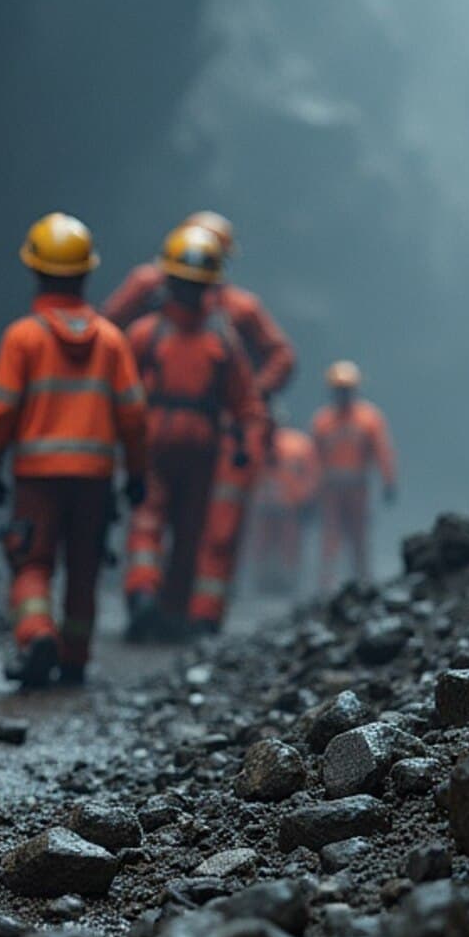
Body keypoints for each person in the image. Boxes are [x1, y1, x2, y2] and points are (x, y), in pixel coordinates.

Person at [0, 214, 148, 687]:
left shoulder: (23, 337)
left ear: (35, 270)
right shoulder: (113, 341)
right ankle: (74, 657)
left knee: (31, 561)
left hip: (36, 476)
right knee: (85, 564)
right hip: (95, 476)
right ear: (86, 274)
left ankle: (35, 635)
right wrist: (136, 472)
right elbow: (133, 415)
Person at [104, 212, 293, 631]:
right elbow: (108, 341)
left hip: (188, 431)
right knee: (186, 520)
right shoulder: (203, 328)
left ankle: (162, 604)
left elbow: (108, 345)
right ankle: (165, 605)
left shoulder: (210, 322)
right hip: (199, 433)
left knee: (172, 520)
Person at [311, 360, 399, 590]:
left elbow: (382, 451)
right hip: (331, 488)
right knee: (330, 538)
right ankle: (326, 587)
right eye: (339, 390)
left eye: (347, 389)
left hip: (357, 487)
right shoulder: (323, 421)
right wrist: (309, 491)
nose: (343, 395)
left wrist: (388, 480)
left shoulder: (368, 419)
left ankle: (363, 582)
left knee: (359, 536)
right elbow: (313, 459)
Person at [247, 414, 320, 596]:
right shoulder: (257, 443)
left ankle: (288, 581)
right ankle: (261, 580)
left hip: (288, 506)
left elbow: (312, 474)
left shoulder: (299, 444)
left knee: (289, 545)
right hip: (265, 506)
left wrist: (306, 499)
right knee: (261, 545)